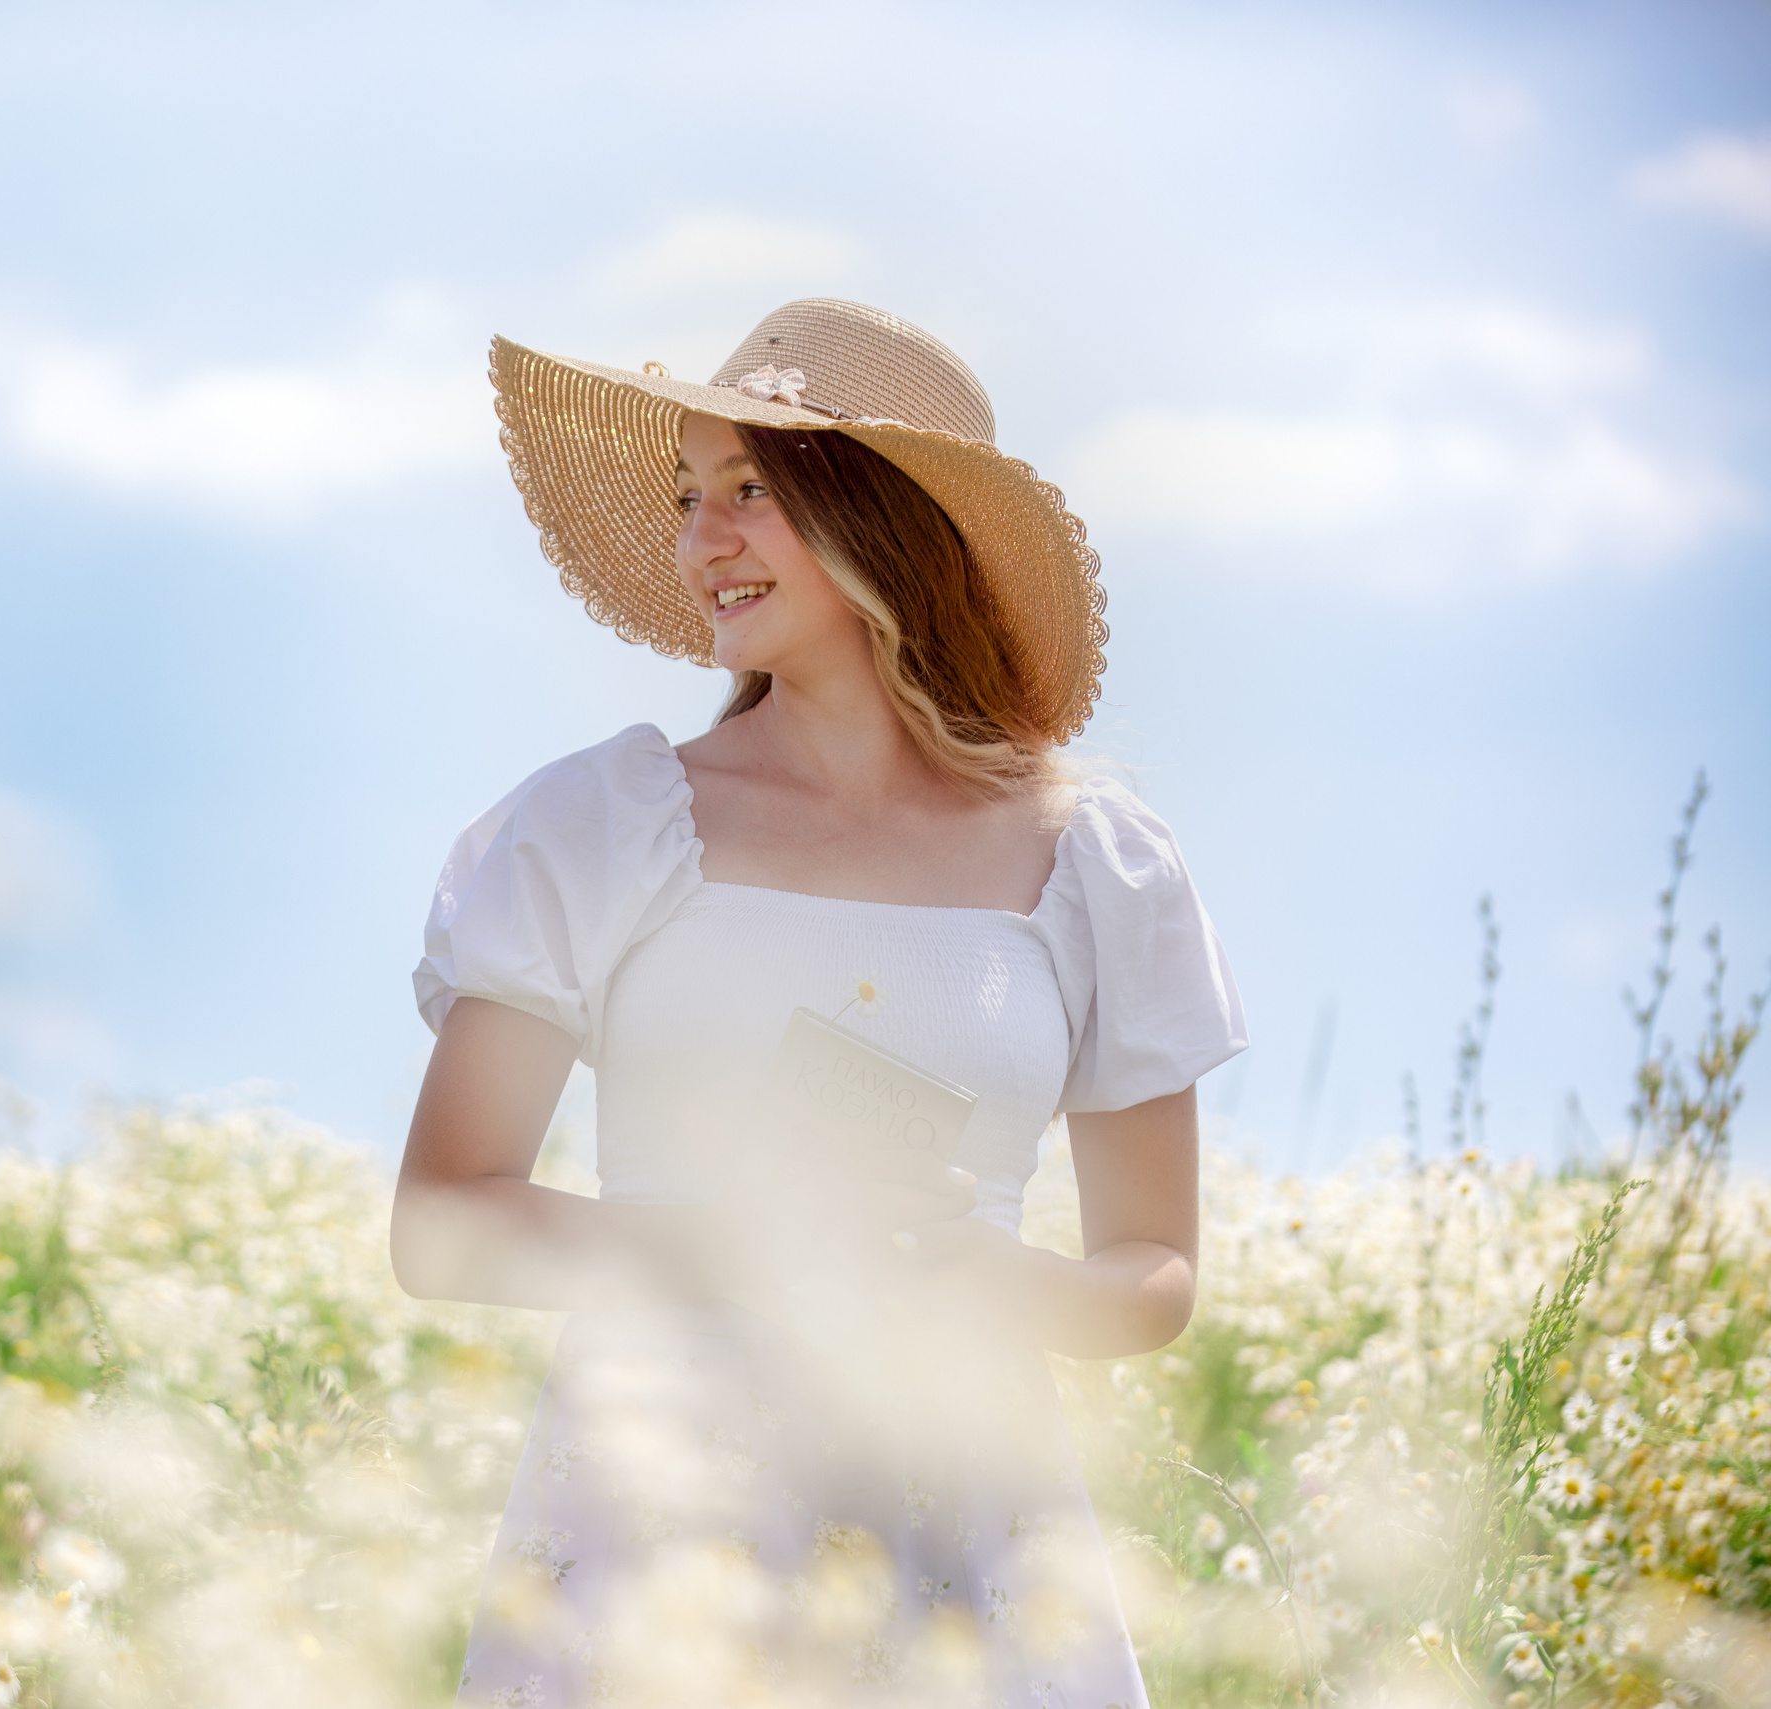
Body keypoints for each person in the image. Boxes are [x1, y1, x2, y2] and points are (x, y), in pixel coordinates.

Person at [392, 299, 1248, 1708]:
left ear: (883, 521)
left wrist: (1000, 1283)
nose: (701, 542)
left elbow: (1154, 1268)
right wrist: (734, 1250)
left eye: (751, 493)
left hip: (962, 1510)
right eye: (688, 496)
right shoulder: (605, 822)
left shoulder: (1096, 859)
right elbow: (443, 1219)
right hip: (653, 1509)